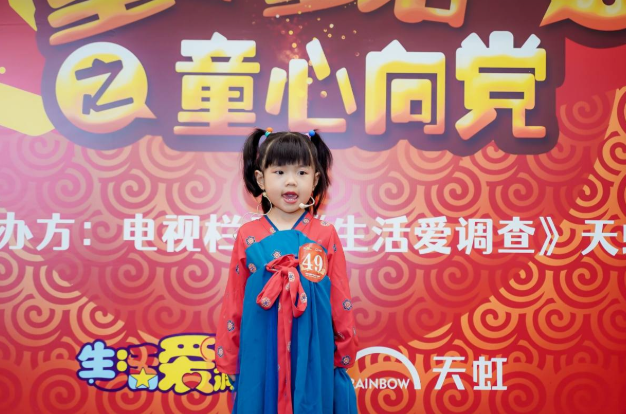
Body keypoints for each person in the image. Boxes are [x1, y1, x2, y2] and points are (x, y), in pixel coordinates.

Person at [215, 128, 359, 414]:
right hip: (260, 347)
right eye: (279, 172)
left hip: (313, 348)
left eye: (302, 173)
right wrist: (229, 356)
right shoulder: (248, 235)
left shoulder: (325, 234)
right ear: (261, 179)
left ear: (315, 179)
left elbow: (339, 296)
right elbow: (234, 300)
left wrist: (344, 348)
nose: (291, 181)